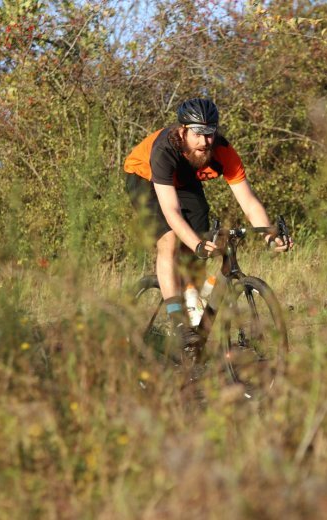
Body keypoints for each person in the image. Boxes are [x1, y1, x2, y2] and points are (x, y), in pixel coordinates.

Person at [124, 98, 292, 355]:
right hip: (144, 176)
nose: (204, 142)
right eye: (198, 134)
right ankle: (176, 318)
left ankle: (192, 298)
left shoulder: (222, 151)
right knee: (169, 240)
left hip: (184, 178)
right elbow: (170, 210)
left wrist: (269, 236)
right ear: (183, 131)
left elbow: (248, 202)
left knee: (201, 224)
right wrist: (196, 244)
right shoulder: (165, 149)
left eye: (209, 134)